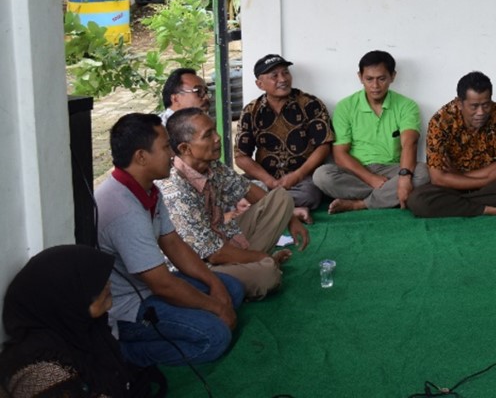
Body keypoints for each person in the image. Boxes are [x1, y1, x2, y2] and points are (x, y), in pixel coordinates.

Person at [95, 113, 245, 368]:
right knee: (215, 336)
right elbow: (162, 284)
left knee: (232, 289)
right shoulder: (122, 209)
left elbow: (173, 243)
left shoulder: (148, 188)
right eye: (165, 147)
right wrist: (215, 308)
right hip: (130, 308)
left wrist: (213, 283)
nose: (172, 154)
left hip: (152, 289)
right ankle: (125, 352)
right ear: (141, 157)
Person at [160, 108, 310, 299]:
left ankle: (249, 269)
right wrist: (262, 258)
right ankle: (255, 269)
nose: (217, 138)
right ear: (185, 149)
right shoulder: (175, 190)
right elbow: (213, 254)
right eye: (208, 135)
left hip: (223, 239)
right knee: (267, 275)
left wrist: (291, 220)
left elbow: (248, 190)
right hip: (200, 266)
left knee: (282, 198)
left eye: (215, 130)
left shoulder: (211, 164)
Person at [0, 245, 166, 398]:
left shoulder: (83, 328)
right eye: (91, 284)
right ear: (63, 299)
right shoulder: (42, 371)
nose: (108, 285)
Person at [314, 50, 431, 213]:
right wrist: (371, 178)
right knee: (321, 175)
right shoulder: (345, 106)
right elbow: (340, 155)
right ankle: (388, 196)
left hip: (392, 169)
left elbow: (409, 143)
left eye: (381, 79)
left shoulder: (406, 106)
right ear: (360, 77)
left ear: (393, 76)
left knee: (423, 172)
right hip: (356, 170)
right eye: (369, 79)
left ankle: (359, 204)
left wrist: (404, 177)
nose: (375, 86)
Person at [407, 72, 496, 218]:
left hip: (488, 186)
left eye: (486, 105)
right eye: (474, 106)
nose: (481, 112)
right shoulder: (440, 121)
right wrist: (486, 179)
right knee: (418, 201)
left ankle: (458, 206)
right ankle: (495, 209)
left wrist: (459, 175)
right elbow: (438, 178)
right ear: (459, 103)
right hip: (456, 187)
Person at [235, 54, 334, 221]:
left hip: (302, 179)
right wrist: (270, 181)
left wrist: (297, 175)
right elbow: (241, 157)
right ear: (260, 84)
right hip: (265, 178)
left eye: (285, 73)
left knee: (311, 194)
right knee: (234, 188)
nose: (283, 79)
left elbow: (324, 146)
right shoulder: (251, 111)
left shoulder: (310, 104)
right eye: (274, 75)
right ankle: (291, 210)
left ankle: (264, 207)